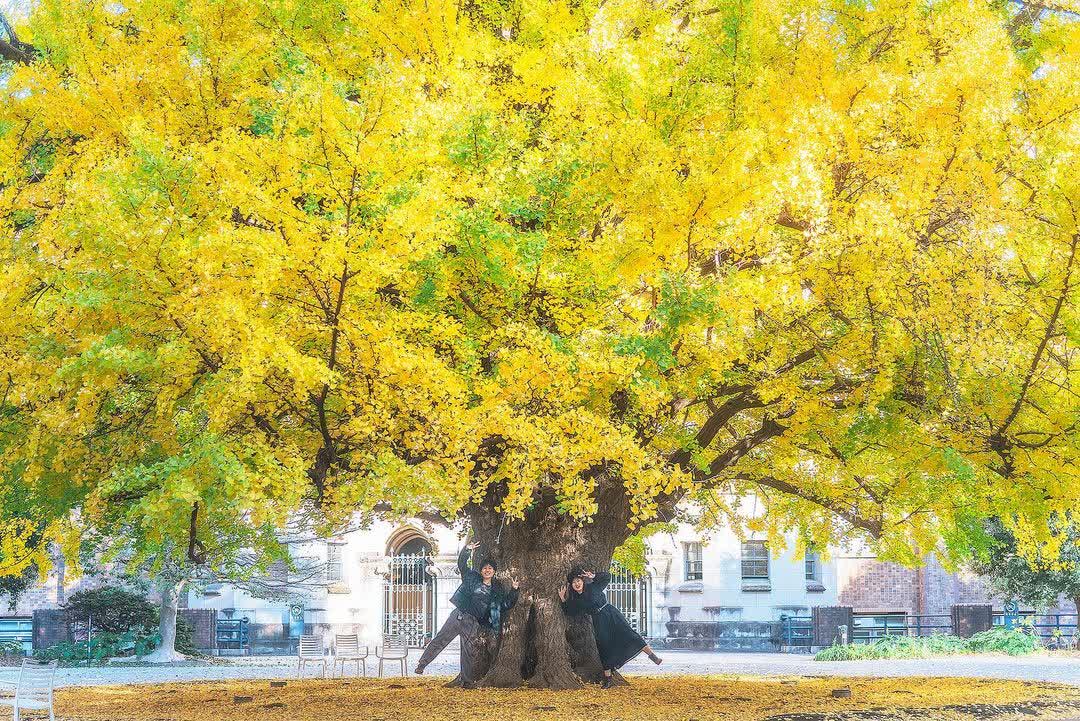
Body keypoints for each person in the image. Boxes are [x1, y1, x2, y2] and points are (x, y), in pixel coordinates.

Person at [414, 540, 519, 680]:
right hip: (458, 615)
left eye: (490, 569)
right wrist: (467, 550)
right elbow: (462, 565)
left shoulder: (496, 590)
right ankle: (422, 664)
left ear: (494, 572)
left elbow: (505, 605)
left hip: (472, 622)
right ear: (481, 570)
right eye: (485, 568)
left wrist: (514, 590)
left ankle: (467, 681)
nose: (487, 570)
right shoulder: (471, 578)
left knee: (468, 651)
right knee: (441, 639)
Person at [560, 566, 661, 688]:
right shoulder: (576, 600)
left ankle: (652, 656)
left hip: (611, 613)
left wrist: (593, 576)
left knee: (628, 633)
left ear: (582, 581)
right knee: (604, 646)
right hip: (598, 620)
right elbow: (569, 611)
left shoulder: (593, 586)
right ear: (571, 585)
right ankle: (608, 678)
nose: (577, 584)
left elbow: (607, 577)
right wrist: (562, 599)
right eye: (574, 582)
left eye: (578, 581)